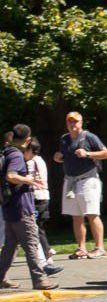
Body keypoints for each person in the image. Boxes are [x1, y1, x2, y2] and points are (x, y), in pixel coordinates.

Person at [0, 124, 59, 290]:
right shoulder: (17, 155)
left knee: (10, 246)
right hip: (21, 208)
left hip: (9, 207)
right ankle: (40, 279)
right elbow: (11, 176)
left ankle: (0, 277)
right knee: (32, 243)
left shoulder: (6, 151)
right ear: (27, 140)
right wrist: (29, 179)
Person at [54, 111, 107, 259]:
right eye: (70, 122)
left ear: (81, 123)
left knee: (92, 214)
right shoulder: (64, 139)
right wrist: (58, 157)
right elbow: (63, 155)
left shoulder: (89, 137)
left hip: (88, 180)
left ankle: (100, 247)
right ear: (66, 124)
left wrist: (88, 154)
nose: (73, 124)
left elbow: (106, 153)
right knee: (76, 216)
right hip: (71, 181)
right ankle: (81, 248)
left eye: (76, 121)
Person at [24, 139, 62, 276]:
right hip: (44, 196)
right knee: (38, 226)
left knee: (35, 227)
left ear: (30, 151)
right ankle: (46, 252)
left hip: (37, 197)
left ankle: (46, 252)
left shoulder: (31, 162)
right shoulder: (40, 160)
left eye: (25, 150)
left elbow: (29, 179)